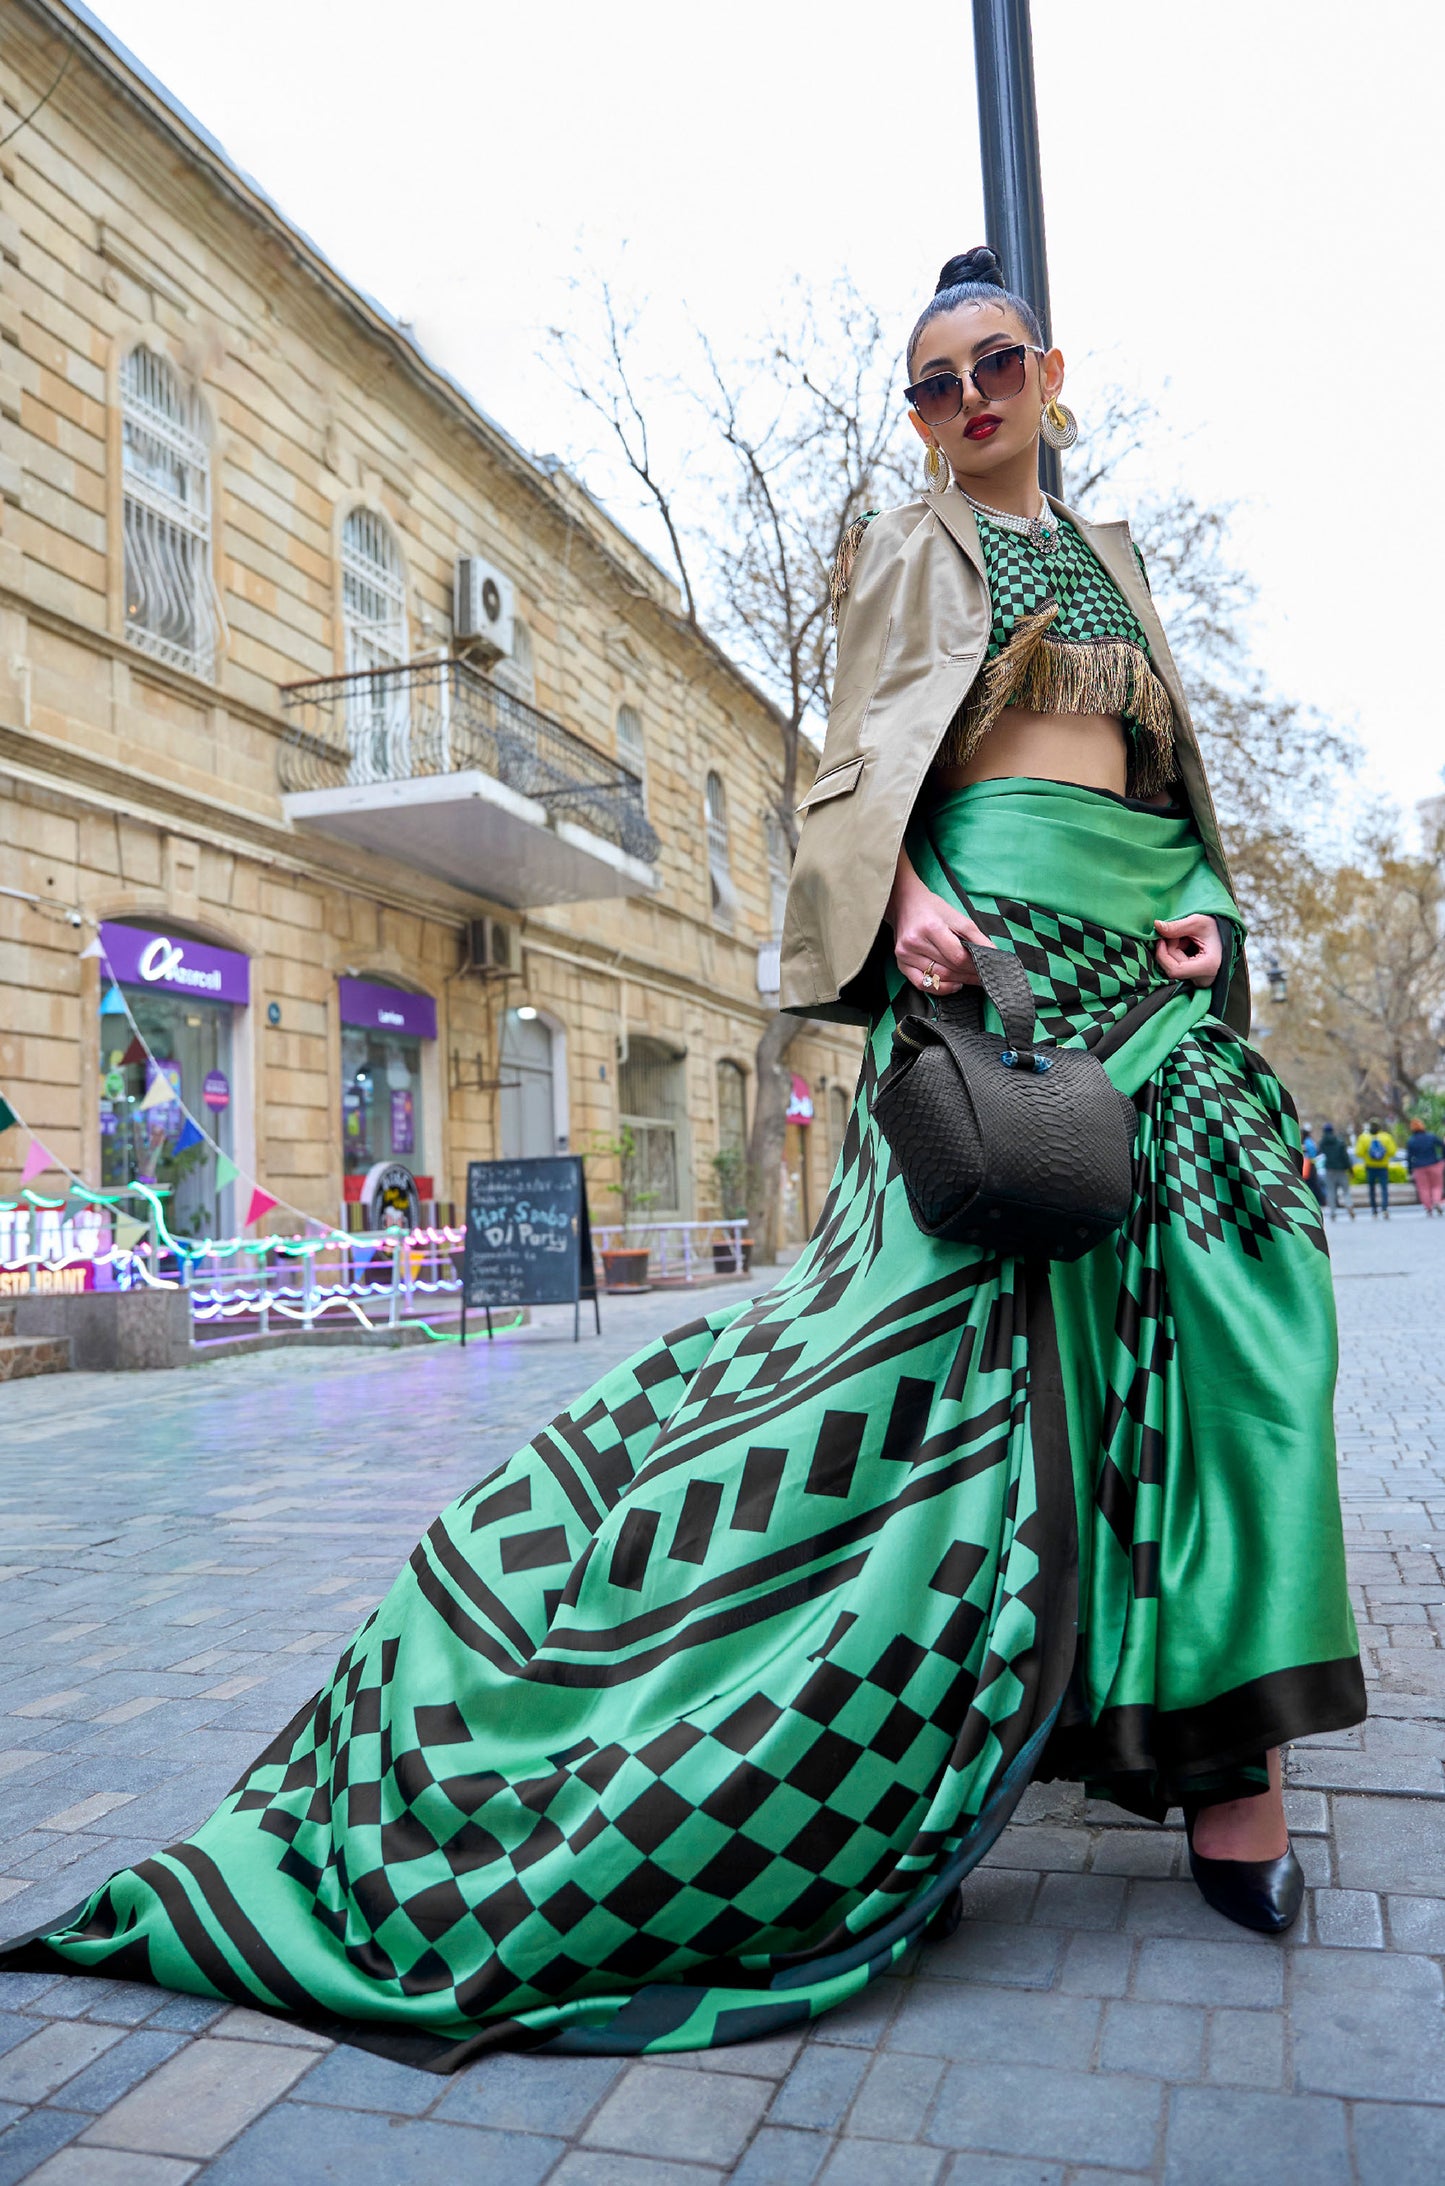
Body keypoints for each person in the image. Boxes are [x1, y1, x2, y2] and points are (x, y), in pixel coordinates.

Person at [4, 248, 1365, 2058]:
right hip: (998, 979)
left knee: (1234, 1319)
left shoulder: (1113, 556)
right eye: (935, 381)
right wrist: (905, 896)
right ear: (917, 416)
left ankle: (1222, 1749)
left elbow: (1172, 773)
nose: (970, 400)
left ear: (1054, 373)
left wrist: (1203, 902)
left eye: (997, 366)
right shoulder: (906, 546)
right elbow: (855, 766)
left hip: (1150, 972)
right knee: (921, 1378)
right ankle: (878, 1729)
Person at [1355, 1119, 1397, 1218]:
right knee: (1384, 1188)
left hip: (1370, 1167)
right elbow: (1392, 1152)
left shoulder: (1363, 1138)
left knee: (1371, 1189)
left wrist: (1367, 1155)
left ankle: (1374, 1210)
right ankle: (1385, 1208)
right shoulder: (1386, 1137)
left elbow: (1359, 1153)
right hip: (1383, 1166)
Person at [1405, 1116, 1445, 1216]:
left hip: (1419, 1167)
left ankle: (1428, 1208)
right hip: (1434, 1164)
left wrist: (1410, 1169)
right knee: (1437, 1185)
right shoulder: (1431, 1137)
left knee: (1423, 1188)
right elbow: (1442, 1145)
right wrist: (1442, 1158)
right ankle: (1436, 1202)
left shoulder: (1411, 1141)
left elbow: (1409, 1157)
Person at [1319, 1123, 1355, 1220]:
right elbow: (1345, 1157)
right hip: (1341, 1170)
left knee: (1331, 1191)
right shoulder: (1339, 1141)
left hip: (1329, 1169)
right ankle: (1349, 1205)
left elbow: (1320, 1151)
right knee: (1346, 1190)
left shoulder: (1323, 1142)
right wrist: (1350, 1170)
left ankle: (1333, 1212)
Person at [1301, 1129, 1327, 1211]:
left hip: (1309, 1165)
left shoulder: (1307, 1142)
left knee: (1312, 1184)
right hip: (1310, 1165)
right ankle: (1320, 1200)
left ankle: (1320, 1201)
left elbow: (1312, 1153)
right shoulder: (1309, 1141)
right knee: (1313, 1184)